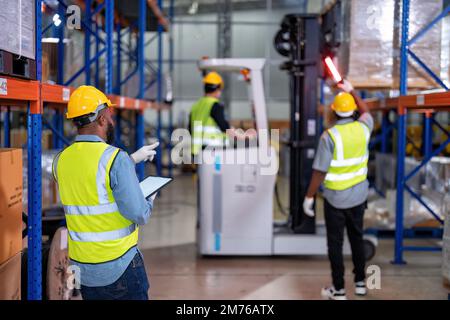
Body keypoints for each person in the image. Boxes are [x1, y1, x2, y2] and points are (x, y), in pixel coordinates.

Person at [52, 85, 158, 300]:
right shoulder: (114, 158)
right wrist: (148, 197)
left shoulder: (60, 160)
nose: (112, 120)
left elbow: (89, 177)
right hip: (120, 266)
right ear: (101, 118)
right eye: (109, 115)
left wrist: (131, 160)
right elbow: (140, 214)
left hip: (84, 269)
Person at [303, 79, 373, 300]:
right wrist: (351, 90)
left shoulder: (329, 136)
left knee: (335, 244)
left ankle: (339, 290)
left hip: (335, 199)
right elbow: (366, 110)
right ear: (352, 110)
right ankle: (361, 284)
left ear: (333, 111)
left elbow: (319, 171)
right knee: (357, 239)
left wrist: (309, 196)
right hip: (359, 197)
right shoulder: (364, 128)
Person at [189, 71, 252, 158]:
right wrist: (243, 137)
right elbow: (224, 127)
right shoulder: (214, 105)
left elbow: (190, 129)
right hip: (213, 152)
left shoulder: (195, 106)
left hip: (197, 152)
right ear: (218, 88)